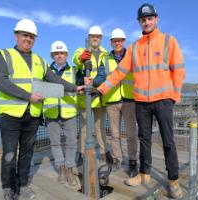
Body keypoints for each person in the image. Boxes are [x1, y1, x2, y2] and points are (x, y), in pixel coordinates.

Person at [96, 4, 185, 199]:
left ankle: (173, 180)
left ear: (156, 19)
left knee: (168, 141)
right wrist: (101, 89)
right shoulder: (135, 47)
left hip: (163, 100)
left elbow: (178, 69)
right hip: (142, 102)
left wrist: (174, 96)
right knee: (144, 140)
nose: (146, 22)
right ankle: (144, 174)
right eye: (143, 20)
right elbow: (120, 72)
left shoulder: (169, 41)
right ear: (139, 22)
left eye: (149, 18)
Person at [0, 19, 84, 200]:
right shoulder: (6, 55)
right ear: (16, 36)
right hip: (11, 115)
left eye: (32, 37)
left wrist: (75, 88)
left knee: (27, 152)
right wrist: (28, 96)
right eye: (25, 35)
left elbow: (55, 79)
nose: (28, 39)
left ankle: (23, 185)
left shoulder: (39, 61)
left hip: (32, 114)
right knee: (10, 152)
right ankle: (8, 188)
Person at [72, 25, 112, 163]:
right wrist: (81, 59)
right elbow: (76, 58)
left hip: (99, 97)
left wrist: (93, 82)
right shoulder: (81, 50)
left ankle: (104, 152)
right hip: (85, 98)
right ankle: (81, 154)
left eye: (97, 36)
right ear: (88, 38)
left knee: (100, 127)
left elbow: (104, 74)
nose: (95, 39)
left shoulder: (105, 54)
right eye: (92, 36)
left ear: (100, 39)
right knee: (84, 128)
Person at [43, 41, 79, 187]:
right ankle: (61, 169)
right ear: (52, 55)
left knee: (71, 143)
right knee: (55, 143)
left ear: (66, 55)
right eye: (56, 53)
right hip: (51, 112)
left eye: (62, 53)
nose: (59, 56)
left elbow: (81, 85)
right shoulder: (45, 72)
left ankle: (69, 168)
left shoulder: (75, 71)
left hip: (69, 112)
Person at [104, 28, 138, 177]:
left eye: (119, 40)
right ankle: (117, 159)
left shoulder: (131, 56)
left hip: (129, 99)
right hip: (112, 100)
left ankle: (132, 161)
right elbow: (100, 77)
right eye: (114, 40)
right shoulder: (105, 59)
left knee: (131, 133)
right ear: (111, 42)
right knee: (114, 134)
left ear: (124, 41)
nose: (117, 43)